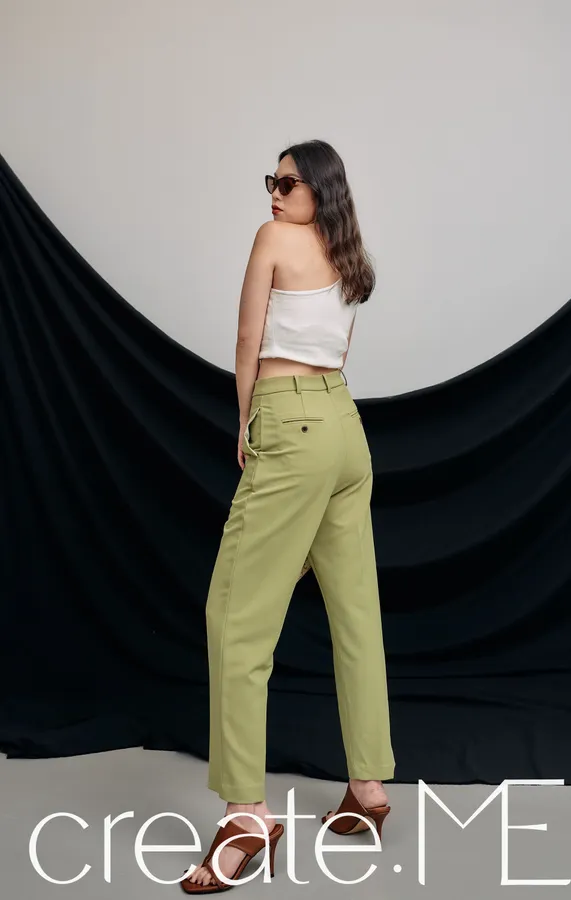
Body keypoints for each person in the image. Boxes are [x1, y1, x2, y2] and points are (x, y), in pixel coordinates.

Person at [181, 140, 395, 893]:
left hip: (291, 425)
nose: (273, 194)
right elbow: (339, 350)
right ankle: (368, 787)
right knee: (356, 614)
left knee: (235, 618)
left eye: (287, 182)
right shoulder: (350, 254)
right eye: (270, 182)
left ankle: (245, 814)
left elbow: (248, 340)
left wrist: (247, 422)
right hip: (345, 430)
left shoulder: (274, 239)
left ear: (319, 188)